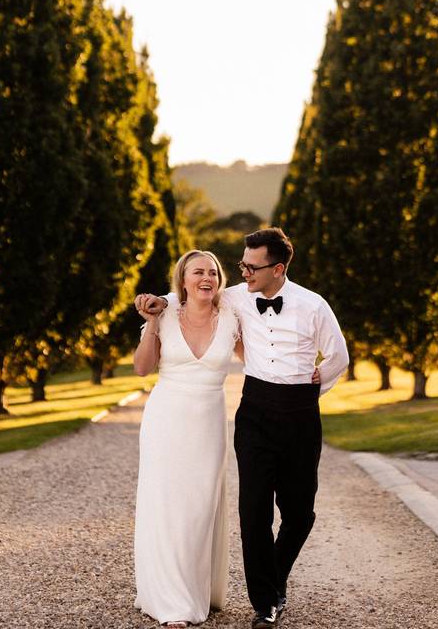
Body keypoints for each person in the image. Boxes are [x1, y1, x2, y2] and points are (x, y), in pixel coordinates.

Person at [136, 228, 348, 629]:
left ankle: (274, 579)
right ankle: (265, 602)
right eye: (241, 265)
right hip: (254, 411)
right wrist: (150, 301)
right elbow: (187, 295)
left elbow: (339, 356)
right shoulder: (235, 297)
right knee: (253, 511)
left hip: (301, 410)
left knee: (300, 513)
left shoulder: (314, 305)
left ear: (278, 268)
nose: (243, 273)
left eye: (251, 266)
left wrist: (314, 388)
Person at [132, 249, 243, 628]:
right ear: (183, 279)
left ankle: (199, 589)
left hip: (209, 423)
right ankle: (170, 601)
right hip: (166, 419)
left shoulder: (231, 316)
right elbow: (143, 368)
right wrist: (150, 320)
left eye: (212, 272)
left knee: (199, 508)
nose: (206, 278)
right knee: (166, 506)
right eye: (198, 272)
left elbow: (259, 358)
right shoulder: (163, 314)